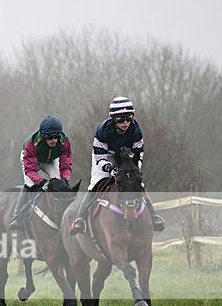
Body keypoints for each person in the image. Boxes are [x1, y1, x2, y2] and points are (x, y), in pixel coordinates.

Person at [70, 96, 165, 235]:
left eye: (129, 118)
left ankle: (154, 216)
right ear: (113, 119)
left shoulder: (136, 130)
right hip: (105, 157)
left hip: (126, 158)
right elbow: (99, 157)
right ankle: (80, 219)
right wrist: (109, 168)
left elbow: (139, 154)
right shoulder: (103, 130)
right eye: (121, 120)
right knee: (95, 185)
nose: (125, 123)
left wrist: (135, 170)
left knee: (139, 184)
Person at [9, 116, 73, 231]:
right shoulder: (31, 144)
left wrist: (65, 178)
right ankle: (17, 215)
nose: (54, 140)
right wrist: (41, 182)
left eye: (56, 137)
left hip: (50, 160)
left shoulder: (64, 141)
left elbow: (66, 161)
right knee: (30, 184)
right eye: (50, 137)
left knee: (58, 183)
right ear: (43, 136)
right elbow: (30, 170)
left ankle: (60, 211)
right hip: (31, 160)